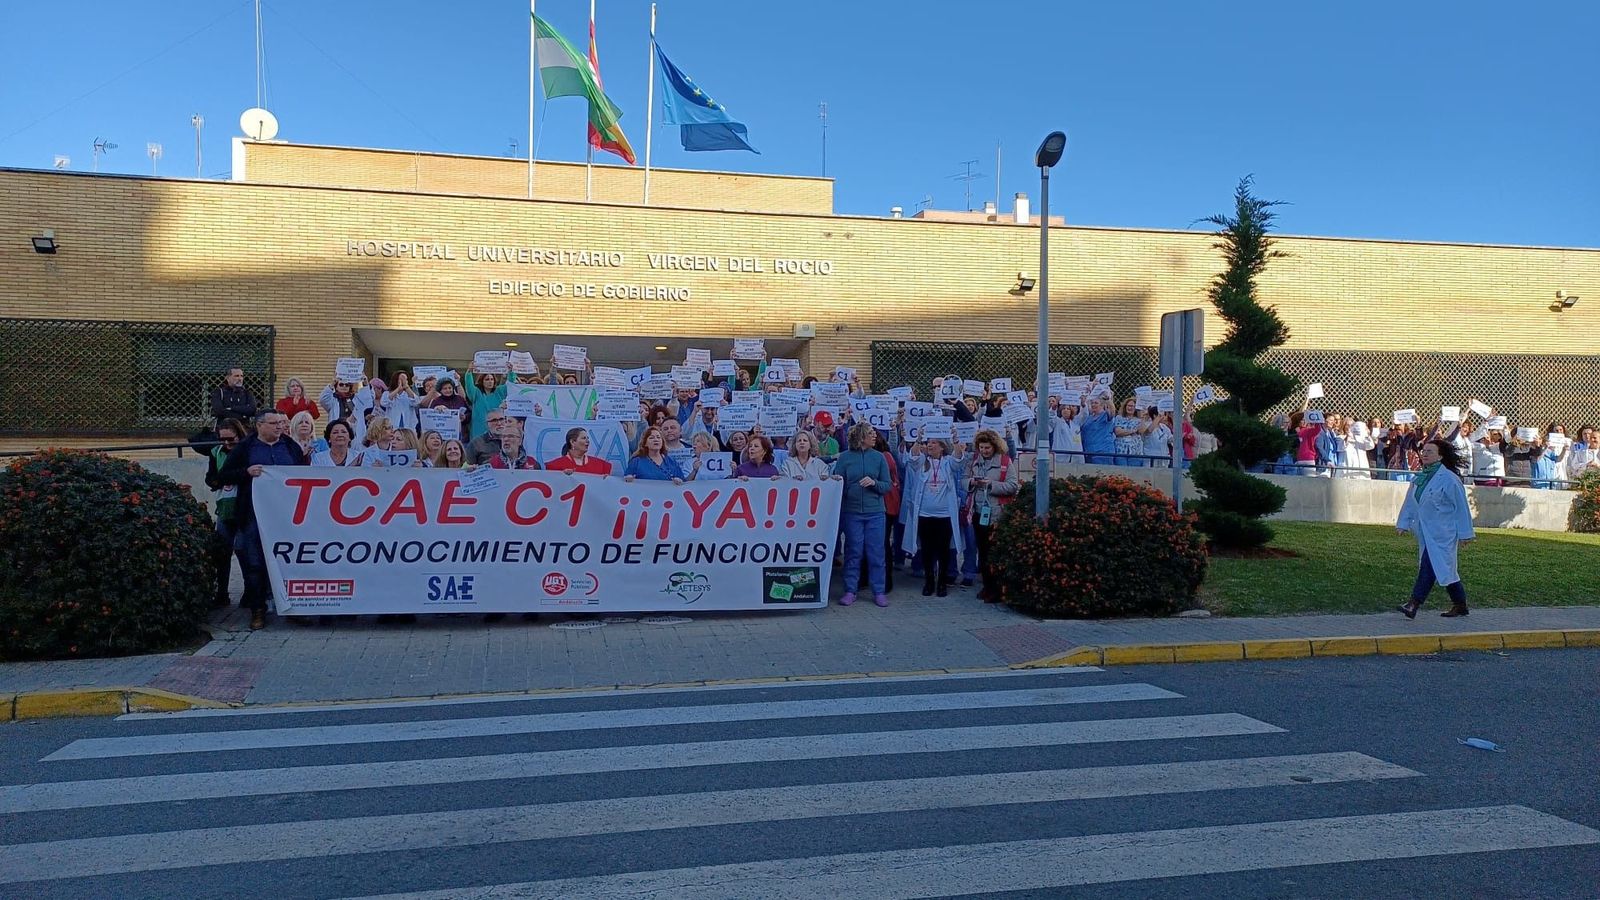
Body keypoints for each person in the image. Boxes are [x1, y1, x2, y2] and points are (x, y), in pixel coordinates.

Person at [216, 410, 306, 630]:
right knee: (255, 563)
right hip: (254, 515)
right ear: (259, 426)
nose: (279, 427)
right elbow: (224, 476)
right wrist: (246, 472)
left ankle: (296, 609)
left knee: (291, 563)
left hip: (288, 516)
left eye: (280, 423)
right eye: (273, 423)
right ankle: (258, 611)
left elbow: (305, 473)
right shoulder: (245, 448)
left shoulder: (291, 447)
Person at [1397, 438, 1475, 619]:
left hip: (1443, 533)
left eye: (1430, 451)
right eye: (1423, 451)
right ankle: (1460, 604)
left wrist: (1465, 534)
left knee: (1430, 566)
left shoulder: (1449, 479)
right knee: (1444, 569)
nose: (1424, 454)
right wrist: (1403, 523)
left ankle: (1413, 604)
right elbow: (1410, 503)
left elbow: (1461, 507)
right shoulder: (1419, 478)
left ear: (1440, 456)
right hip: (1426, 531)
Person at [833, 422, 890, 607]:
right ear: (861, 437)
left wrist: (874, 483)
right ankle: (850, 590)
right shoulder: (845, 458)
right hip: (852, 513)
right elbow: (837, 483)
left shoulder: (879, 458)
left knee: (876, 553)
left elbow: (887, 485)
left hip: (876, 513)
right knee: (853, 552)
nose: (875, 436)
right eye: (870, 433)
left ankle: (879, 591)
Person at [901, 437, 964, 597]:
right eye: (928, 442)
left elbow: (958, 460)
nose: (930, 445)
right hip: (924, 515)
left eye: (934, 442)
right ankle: (929, 581)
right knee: (927, 551)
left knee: (943, 551)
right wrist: (917, 438)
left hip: (944, 516)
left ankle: (942, 583)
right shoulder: (923, 462)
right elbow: (913, 458)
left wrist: (955, 439)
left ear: (942, 447)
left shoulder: (948, 462)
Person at [964, 428, 1018, 602]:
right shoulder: (973, 460)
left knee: (995, 552)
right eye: (981, 448)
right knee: (983, 551)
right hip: (978, 512)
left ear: (994, 446)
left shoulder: (1004, 461)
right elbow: (963, 480)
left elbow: (1012, 485)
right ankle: (987, 586)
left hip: (997, 514)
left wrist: (991, 485)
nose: (984, 451)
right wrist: (971, 482)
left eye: (987, 448)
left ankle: (997, 589)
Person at [203, 418, 249, 608]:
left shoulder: (246, 451)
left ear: (239, 435)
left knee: (243, 550)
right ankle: (221, 592)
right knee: (222, 552)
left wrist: (225, 477)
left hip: (243, 506)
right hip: (224, 505)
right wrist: (222, 479)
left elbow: (245, 474)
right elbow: (211, 478)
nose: (227, 443)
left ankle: (250, 591)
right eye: (223, 439)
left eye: (231, 439)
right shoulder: (217, 452)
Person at [463, 369, 510, 439]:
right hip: (479, 430)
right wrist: (469, 372)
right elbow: (469, 386)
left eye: (492, 379)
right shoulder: (476, 393)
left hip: (497, 429)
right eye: (487, 379)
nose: (490, 381)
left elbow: (510, 385)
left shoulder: (499, 391)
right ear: (482, 381)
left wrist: (510, 371)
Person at [545, 427, 612, 475]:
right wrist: (561, 477)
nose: (587, 441)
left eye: (587, 438)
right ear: (572, 442)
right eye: (584, 438)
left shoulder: (601, 465)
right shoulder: (555, 466)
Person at [1078, 394, 1115, 464]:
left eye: (1096, 403)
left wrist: (1108, 400)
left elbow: (1112, 412)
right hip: (1088, 452)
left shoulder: (1105, 415)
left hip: (1102, 452)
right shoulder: (1089, 418)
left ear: (1102, 405)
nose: (1093, 405)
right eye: (1092, 403)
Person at [1111, 398, 1145, 466]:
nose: (1131, 408)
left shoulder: (1139, 420)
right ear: (1125, 406)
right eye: (1129, 405)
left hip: (1135, 452)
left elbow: (1141, 431)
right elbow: (1118, 432)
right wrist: (1133, 431)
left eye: (1133, 406)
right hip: (1121, 451)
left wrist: (1142, 417)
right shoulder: (1119, 418)